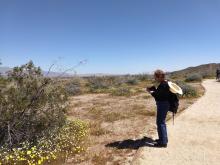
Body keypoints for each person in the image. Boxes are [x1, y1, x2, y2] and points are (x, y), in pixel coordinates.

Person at [147, 70, 170, 148]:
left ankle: (163, 142)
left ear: (159, 76)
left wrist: (150, 92)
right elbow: (160, 94)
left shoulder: (163, 84)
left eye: (155, 76)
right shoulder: (165, 83)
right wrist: (153, 89)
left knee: (160, 123)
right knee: (161, 122)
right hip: (164, 104)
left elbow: (158, 96)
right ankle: (163, 139)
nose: (155, 78)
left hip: (163, 104)